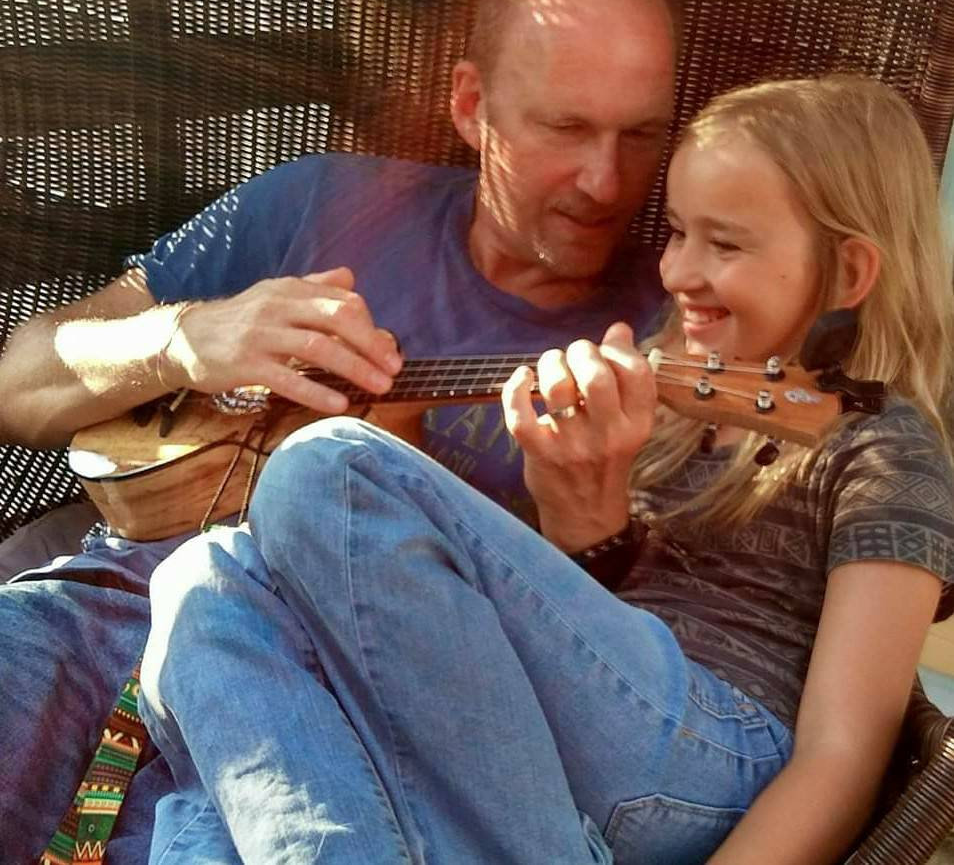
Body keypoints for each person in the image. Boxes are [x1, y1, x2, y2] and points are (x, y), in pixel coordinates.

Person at [139, 74, 954, 865]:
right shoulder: (667, 395)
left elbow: (843, 759)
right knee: (204, 582)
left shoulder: (887, 450)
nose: (676, 273)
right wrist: (578, 517)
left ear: (851, 272)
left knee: (330, 468)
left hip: (714, 760)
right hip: (554, 759)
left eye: (725, 243)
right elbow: (568, 641)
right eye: (677, 233)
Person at [0, 0, 678, 862]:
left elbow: (625, 699)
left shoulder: (673, 339)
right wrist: (185, 338)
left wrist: (591, 531)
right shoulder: (324, 202)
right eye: (565, 128)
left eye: (641, 135)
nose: (606, 182)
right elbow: (19, 381)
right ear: (472, 104)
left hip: (330, 720)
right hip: (103, 613)